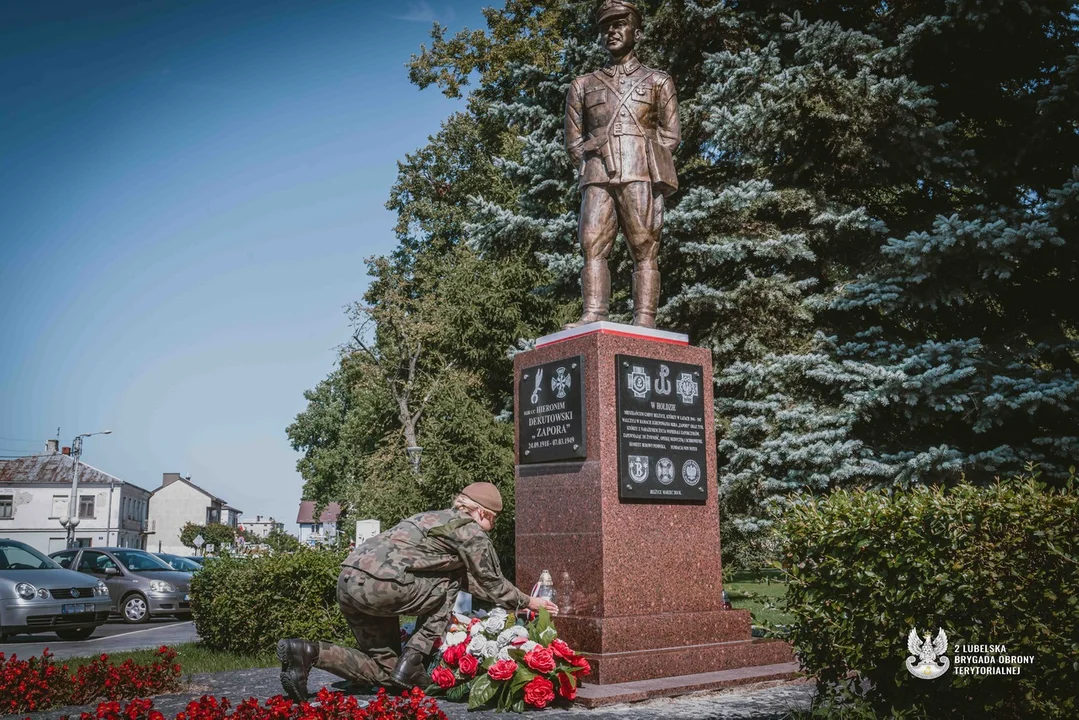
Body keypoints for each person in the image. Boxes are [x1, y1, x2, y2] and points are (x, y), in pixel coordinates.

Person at [276, 482, 558, 701]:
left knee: (388, 673)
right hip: (383, 587)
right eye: (493, 520)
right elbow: (491, 582)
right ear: (482, 512)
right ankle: (414, 659)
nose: (492, 527)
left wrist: (507, 601)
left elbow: (475, 584)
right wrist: (530, 601)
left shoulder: (429, 517)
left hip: (348, 582)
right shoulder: (471, 532)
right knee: (450, 580)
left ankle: (307, 652)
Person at [563, 0, 680, 329]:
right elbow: (573, 142)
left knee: (644, 246)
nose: (611, 32)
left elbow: (671, 135)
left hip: (639, 172)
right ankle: (594, 312)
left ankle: (645, 318)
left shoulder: (658, 82)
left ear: (637, 32)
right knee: (592, 244)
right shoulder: (583, 85)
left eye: (619, 24)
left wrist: (645, 160)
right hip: (598, 174)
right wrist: (592, 158)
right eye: (605, 27)